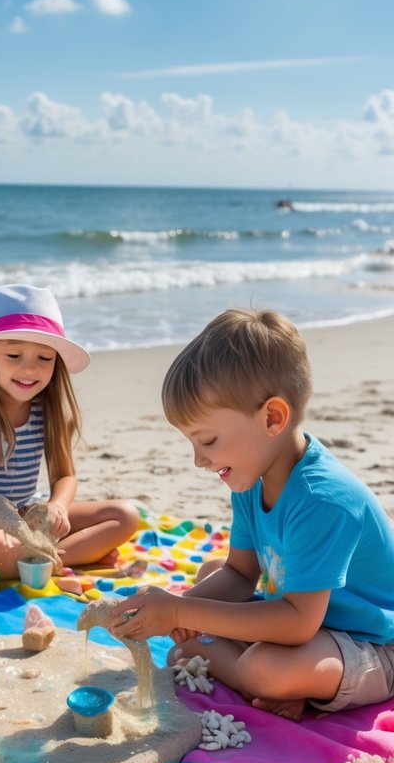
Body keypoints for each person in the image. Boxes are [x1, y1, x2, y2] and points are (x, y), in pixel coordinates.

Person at [109, 308, 394, 719]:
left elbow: (298, 622)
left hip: (370, 640)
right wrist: (170, 606)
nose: (198, 460)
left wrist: (179, 612)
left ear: (272, 418)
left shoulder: (323, 499)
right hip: (305, 619)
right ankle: (279, 678)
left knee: (264, 668)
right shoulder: (252, 476)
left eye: (207, 440)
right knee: (208, 580)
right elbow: (242, 574)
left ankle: (273, 682)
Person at [0, 284, 141, 577]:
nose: (29, 370)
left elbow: (64, 475)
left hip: (23, 513)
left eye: (44, 358)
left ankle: (42, 556)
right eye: (14, 356)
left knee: (126, 516)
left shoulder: (47, 407)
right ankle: (70, 554)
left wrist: (58, 506)